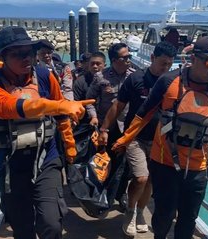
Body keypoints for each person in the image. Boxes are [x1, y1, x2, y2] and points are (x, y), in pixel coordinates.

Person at [112, 36, 208, 239]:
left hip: (198, 167)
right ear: (193, 58)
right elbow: (144, 113)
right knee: (164, 214)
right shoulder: (169, 81)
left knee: (189, 218)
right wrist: (125, 139)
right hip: (164, 162)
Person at [0, 26, 94, 239]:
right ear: (2, 56)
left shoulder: (43, 75)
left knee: (52, 223)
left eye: (29, 53)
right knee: (22, 226)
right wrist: (58, 106)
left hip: (46, 157)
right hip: (11, 163)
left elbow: (60, 113)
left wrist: (68, 145)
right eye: (17, 54)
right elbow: (8, 107)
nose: (26, 58)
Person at [99, 41, 177, 237]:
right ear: (152, 58)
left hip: (160, 140)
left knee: (150, 180)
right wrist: (104, 128)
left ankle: (141, 212)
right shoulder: (136, 79)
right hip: (136, 137)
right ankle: (131, 212)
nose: (165, 68)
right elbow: (118, 105)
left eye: (169, 64)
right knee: (140, 177)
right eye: (162, 63)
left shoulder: (173, 82)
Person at [85, 42, 135, 211]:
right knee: (104, 162)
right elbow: (90, 101)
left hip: (126, 127)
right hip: (106, 127)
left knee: (125, 164)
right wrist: (93, 118)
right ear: (114, 60)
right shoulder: (101, 77)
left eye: (129, 56)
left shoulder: (134, 76)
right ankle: (100, 194)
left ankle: (119, 195)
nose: (129, 60)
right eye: (125, 57)